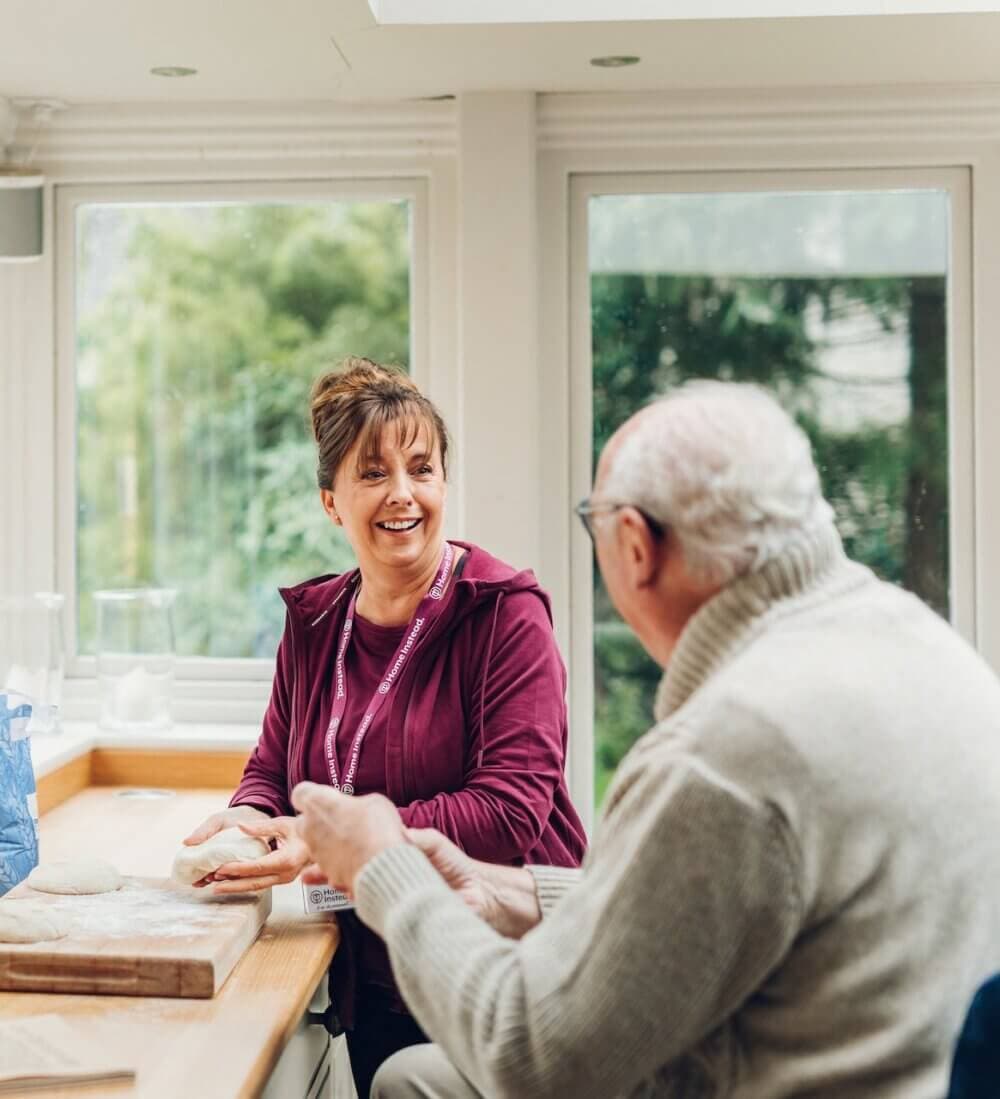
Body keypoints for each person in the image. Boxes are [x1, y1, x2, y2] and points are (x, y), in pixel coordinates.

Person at [291, 380, 1000, 1098]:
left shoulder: (725, 755)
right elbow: (715, 902)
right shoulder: (931, 648)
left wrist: (387, 870)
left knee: (407, 1083)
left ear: (633, 543)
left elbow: (530, 1053)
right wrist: (512, 891)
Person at [182, 358, 587, 1097]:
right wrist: (249, 819)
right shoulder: (315, 621)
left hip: (500, 965)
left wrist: (336, 845)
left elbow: (508, 815)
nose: (403, 493)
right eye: (373, 473)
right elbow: (275, 766)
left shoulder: (505, 613)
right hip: (369, 969)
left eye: (421, 468)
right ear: (332, 501)